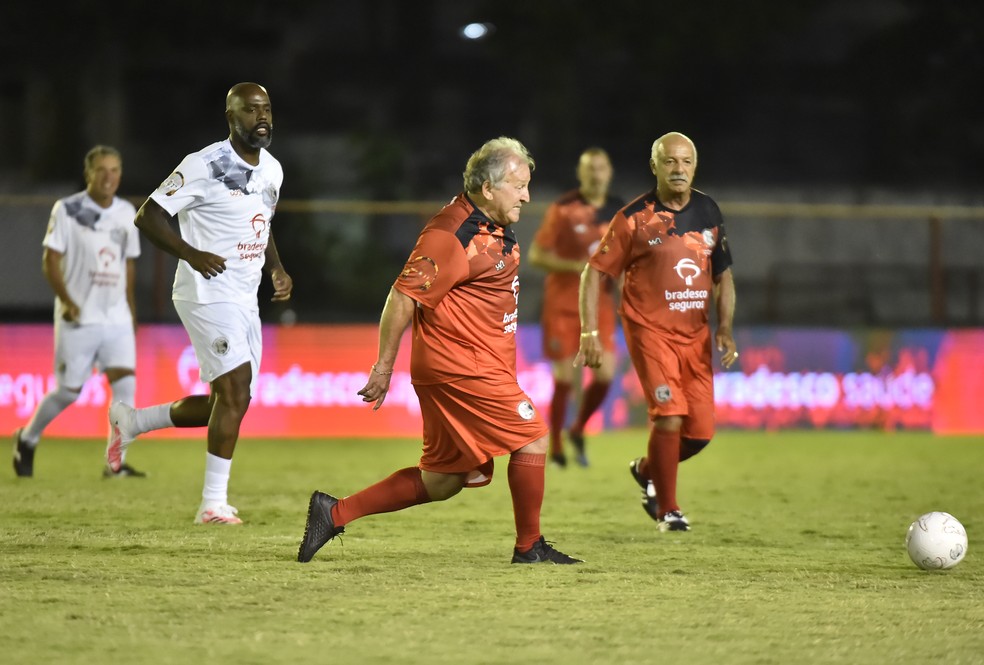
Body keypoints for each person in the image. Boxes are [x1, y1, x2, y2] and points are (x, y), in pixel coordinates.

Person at [297, 137, 581, 565]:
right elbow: (402, 297)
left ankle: (334, 512)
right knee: (534, 440)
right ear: (488, 187)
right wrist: (382, 368)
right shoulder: (451, 234)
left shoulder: (490, 220)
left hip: (474, 365)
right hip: (461, 366)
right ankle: (529, 547)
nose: (527, 194)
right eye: (519, 185)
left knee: (442, 482)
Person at [105, 82, 292, 525]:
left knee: (230, 401)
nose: (261, 117)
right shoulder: (204, 164)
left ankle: (132, 421)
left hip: (245, 298)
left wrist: (276, 268)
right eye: (250, 110)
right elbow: (147, 214)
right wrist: (190, 253)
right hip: (206, 293)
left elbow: (262, 223)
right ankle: (212, 504)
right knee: (234, 392)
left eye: (265, 108)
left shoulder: (273, 170)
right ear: (230, 117)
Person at [577, 132, 738, 533]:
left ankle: (646, 469)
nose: (678, 169)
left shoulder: (708, 211)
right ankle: (669, 509)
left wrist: (726, 329)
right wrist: (589, 332)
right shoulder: (634, 218)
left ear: (695, 166)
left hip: (695, 336)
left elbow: (724, 276)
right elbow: (594, 272)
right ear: (655, 167)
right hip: (649, 332)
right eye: (669, 161)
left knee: (699, 433)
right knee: (668, 415)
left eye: (685, 161)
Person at [12, 145, 144, 479]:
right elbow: (50, 260)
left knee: (126, 388)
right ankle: (27, 438)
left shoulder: (127, 212)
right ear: (88, 174)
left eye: (114, 170)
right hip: (79, 317)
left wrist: (131, 307)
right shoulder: (67, 209)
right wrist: (68, 301)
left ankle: (115, 464)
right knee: (69, 392)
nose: (108, 177)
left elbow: (128, 265)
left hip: (115, 317)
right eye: (101, 170)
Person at [528, 148, 623, 468]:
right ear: (580, 174)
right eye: (589, 169)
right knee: (565, 378)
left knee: (606, 375)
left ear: (609, 172)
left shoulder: (619, 212)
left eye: (601, 168)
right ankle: (554, 447)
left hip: (601, 306)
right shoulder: (564, 209)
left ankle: (578, 428)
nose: (596, 174)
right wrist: (578, 266)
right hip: (563, 304)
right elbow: (537, 255)